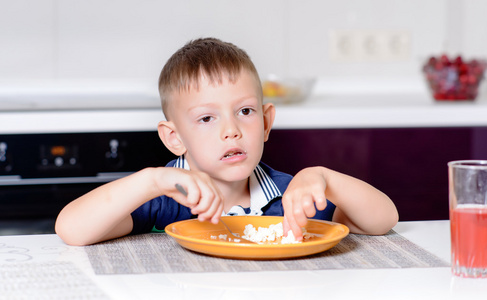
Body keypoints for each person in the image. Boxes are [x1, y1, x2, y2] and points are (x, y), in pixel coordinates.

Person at [55, 37, 399, 246]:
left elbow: (384, 220)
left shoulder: (290, 196)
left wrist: (323, 177)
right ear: (174, 138)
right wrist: (152, 179)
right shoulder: (165, 200)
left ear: (266, 123)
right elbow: (71, 229)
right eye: (207, 118)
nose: (231, 130)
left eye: (245, 111)